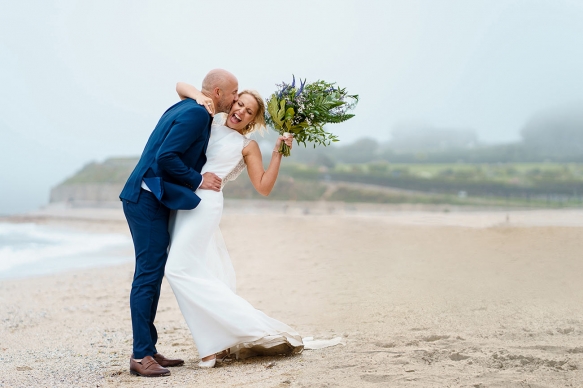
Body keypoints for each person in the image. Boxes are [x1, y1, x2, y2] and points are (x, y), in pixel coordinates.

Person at [164, 82, 302, 368]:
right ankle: (213, 344)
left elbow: (263, 186)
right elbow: (180, 88)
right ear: (233, 101)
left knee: (176, 269)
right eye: (239, 103)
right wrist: (201, 96)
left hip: (206, 204)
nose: (241, 111)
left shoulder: (246, 146)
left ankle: (227, 338)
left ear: (253, 120)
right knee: (193, 272)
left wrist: (278, 152)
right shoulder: (210, 117)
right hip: (184, 200)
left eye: (249, 111)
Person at [119, 69, 239, 377]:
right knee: (147, 275)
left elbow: (181, 88)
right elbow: (166, 158)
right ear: (217, 93)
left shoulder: (193, 106)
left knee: (153, 272)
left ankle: (148, 347)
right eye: (233, 92)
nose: (236, 98)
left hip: (153, 198)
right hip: (145, 199)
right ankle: (139, 355)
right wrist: (198, 179)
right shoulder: (197, 114)